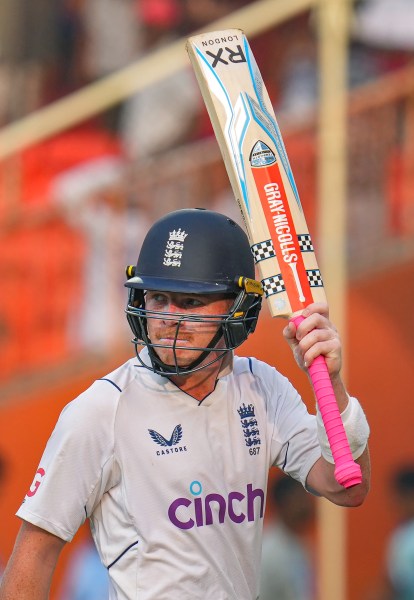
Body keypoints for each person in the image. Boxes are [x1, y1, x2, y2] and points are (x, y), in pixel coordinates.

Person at [0, 208, 371, 599]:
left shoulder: (262, 388)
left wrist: (331, 381)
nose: (168, 318)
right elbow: (35, 554)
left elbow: (349, 488)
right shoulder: (99, 410)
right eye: (158, 297)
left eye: (190, 302)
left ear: (238, 309)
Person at [260, 475, 315, 600]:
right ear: (282, 504)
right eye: (299, 498)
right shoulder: (268, 551)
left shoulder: (302, 546)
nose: (305, 505)